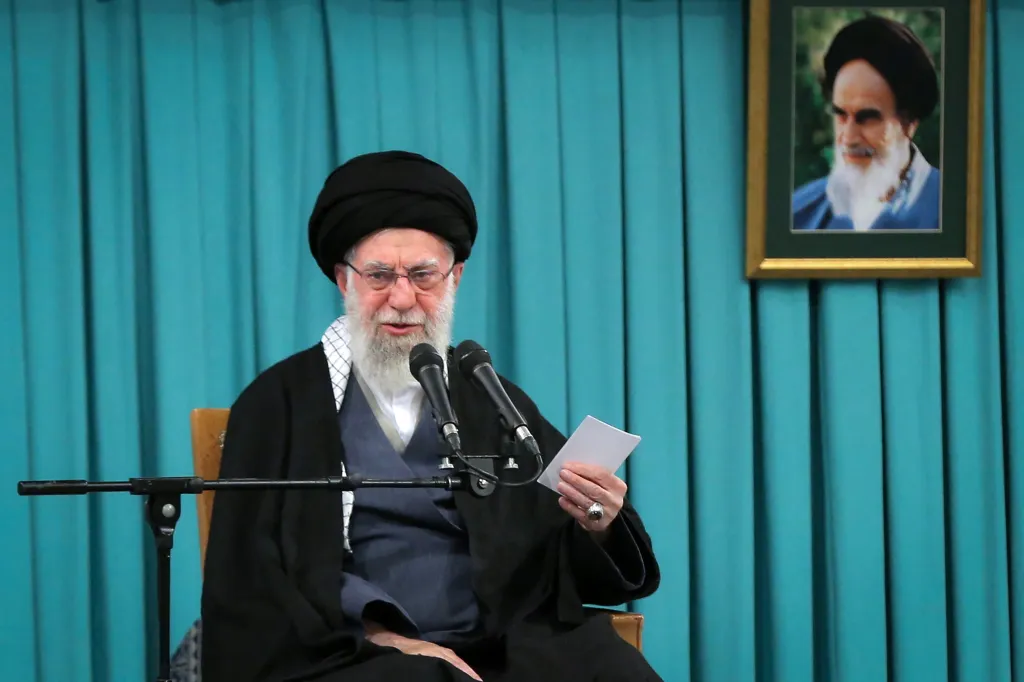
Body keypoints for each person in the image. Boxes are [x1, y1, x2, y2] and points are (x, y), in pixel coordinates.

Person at [200, 150, 663, 682]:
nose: (402, 298)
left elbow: (550, 555)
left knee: (615, 671)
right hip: (351, 649)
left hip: (502, 641)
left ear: (455, 278)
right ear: (343, 280)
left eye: (423, 275)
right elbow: (253, 576)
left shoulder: (487, 394)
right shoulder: (278, 402)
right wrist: (387, 640)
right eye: (379, 275)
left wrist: (598, 522)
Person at [792, 15, 941, 232]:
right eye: (841, 115)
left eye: (867, 118)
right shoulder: (799, 214)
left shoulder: (955, 210)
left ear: (909, 123)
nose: (849, 138)